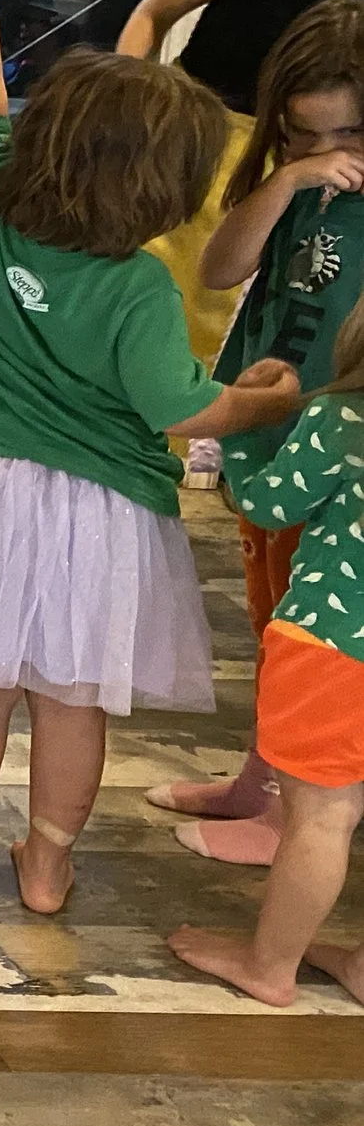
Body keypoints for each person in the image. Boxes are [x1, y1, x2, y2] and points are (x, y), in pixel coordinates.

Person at [0, 0, 307, 915]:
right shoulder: (139, 283)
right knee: (74, 698)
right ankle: (50, 861)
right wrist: (252, 402)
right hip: (101, 515)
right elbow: (179, 406)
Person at [155, 0, 364, 866]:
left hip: (335, 451)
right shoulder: (288, 180)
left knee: (310, 634)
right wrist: (280, 181)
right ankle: (259, 780)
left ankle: (293, 812)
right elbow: (219, 267)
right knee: (272, 619)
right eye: (302, 136)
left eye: (345, 136)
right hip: (265, 432)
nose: (326, 157)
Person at [168, 305, 364, 1009]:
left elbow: (268, 503)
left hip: (333, 650)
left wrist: (247, 433)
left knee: (322, 816)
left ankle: (269, 964)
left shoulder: (342, 420)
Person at [121, 0, 364, 362]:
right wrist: (127, 106)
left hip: (330, 164)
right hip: (199, 145)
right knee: (166, 313)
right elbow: (155, 11)